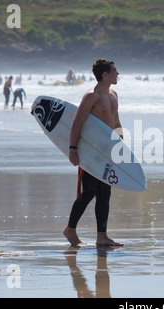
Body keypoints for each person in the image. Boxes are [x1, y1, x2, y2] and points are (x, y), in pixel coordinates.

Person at [63, 58, 123, 247]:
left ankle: (102, 236)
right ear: (104, 75)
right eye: (114, 70)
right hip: (91, 151)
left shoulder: (114, 94)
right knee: (88, 192)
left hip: (108, 151)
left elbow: (117, 123)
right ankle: (70, 230)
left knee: (105, 193)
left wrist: (122, 148)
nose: (117, 73)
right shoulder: (91, 96)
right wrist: (73, 149)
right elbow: (77, 122)